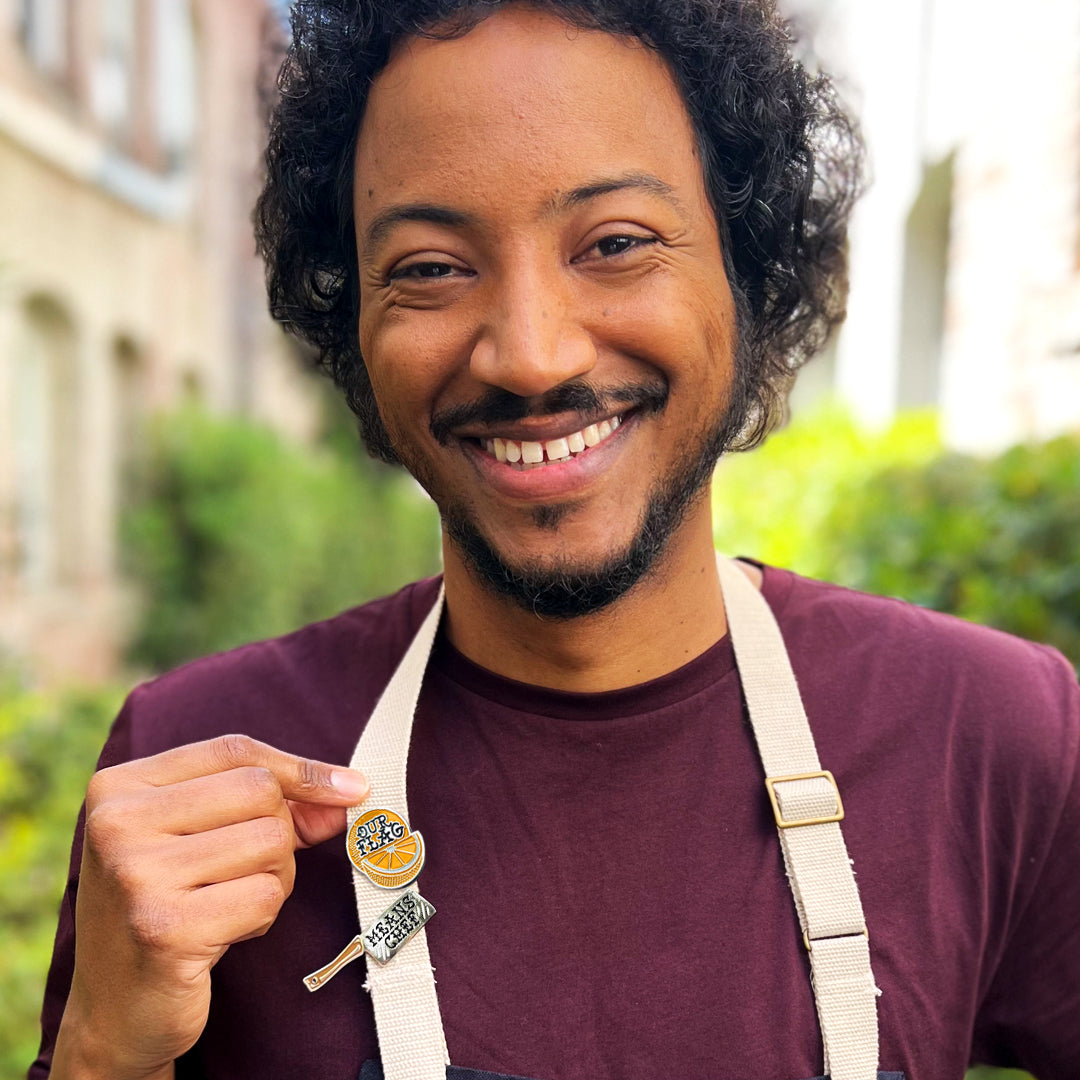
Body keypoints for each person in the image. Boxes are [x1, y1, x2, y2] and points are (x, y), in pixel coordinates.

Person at [31, 2, 1080, 1078]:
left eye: (616, 244)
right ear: (354, 321)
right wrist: (104, 1052)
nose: (530, 356)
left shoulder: (995, 735)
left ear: (747, 269)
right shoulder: (190, 772)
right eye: (433, 267)